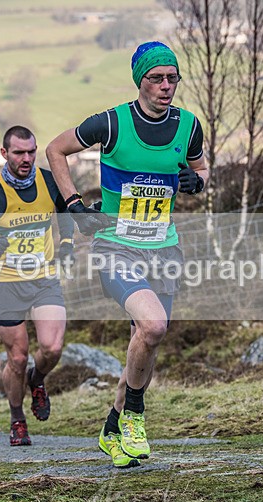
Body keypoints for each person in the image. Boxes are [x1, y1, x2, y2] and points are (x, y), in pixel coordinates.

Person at [46, 41, 209, 468]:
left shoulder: (189, 126)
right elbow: (55, 150)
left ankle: (111, 429)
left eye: (172, 77)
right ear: (141, 81)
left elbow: (202, 166)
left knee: (145, 341)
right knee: (154, 325)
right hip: (117, 245)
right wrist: (74, 204)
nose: (166, 85)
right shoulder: (112, 124)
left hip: (163, 248)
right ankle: (135, 415)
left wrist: (198, 182)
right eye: (157, 78)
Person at [0, 126, 74, 446]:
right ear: (4, 154)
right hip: (6, 283)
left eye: (31, 151)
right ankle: (17, 418)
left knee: (52, 347)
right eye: (19, 153)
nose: (26, 158)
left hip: (43, 278)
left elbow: (65, 210)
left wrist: (66, 240)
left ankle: (37, 380)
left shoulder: (48, 180)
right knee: (16, 357)